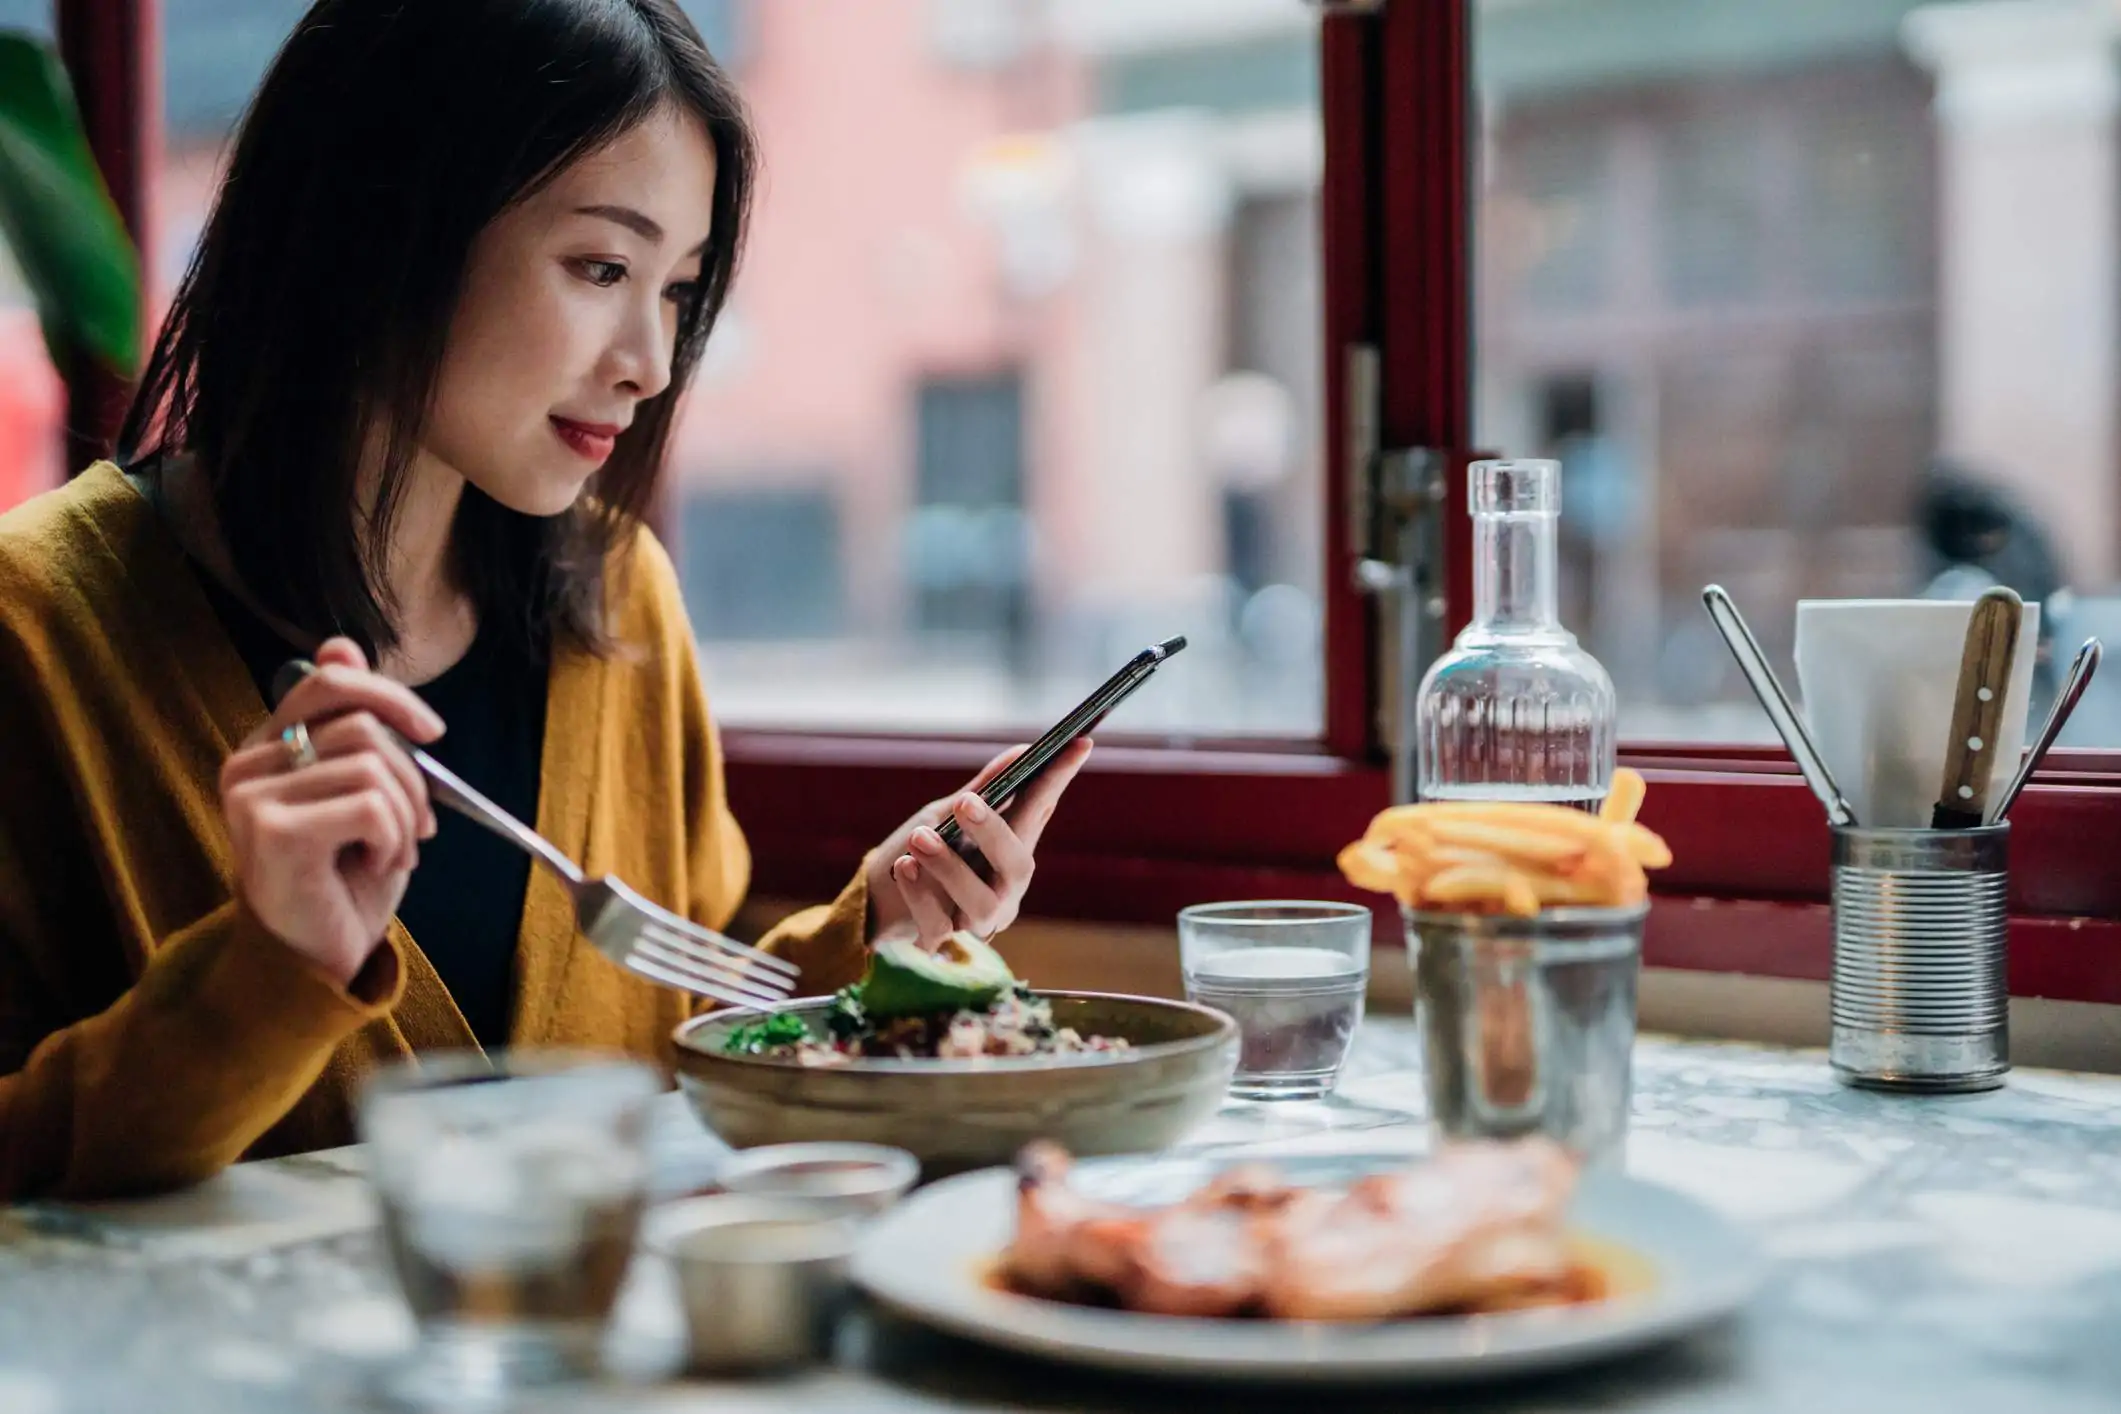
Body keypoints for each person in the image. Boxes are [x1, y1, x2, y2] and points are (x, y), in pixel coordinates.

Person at [0, 0, 1090, 1200]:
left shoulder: (620, 597)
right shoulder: (38, 627)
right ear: (384, 224)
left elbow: (680, 1032)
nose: (652, 361)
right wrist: (272, 969)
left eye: (678, 290)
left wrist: (877, 944)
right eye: (601, 267)